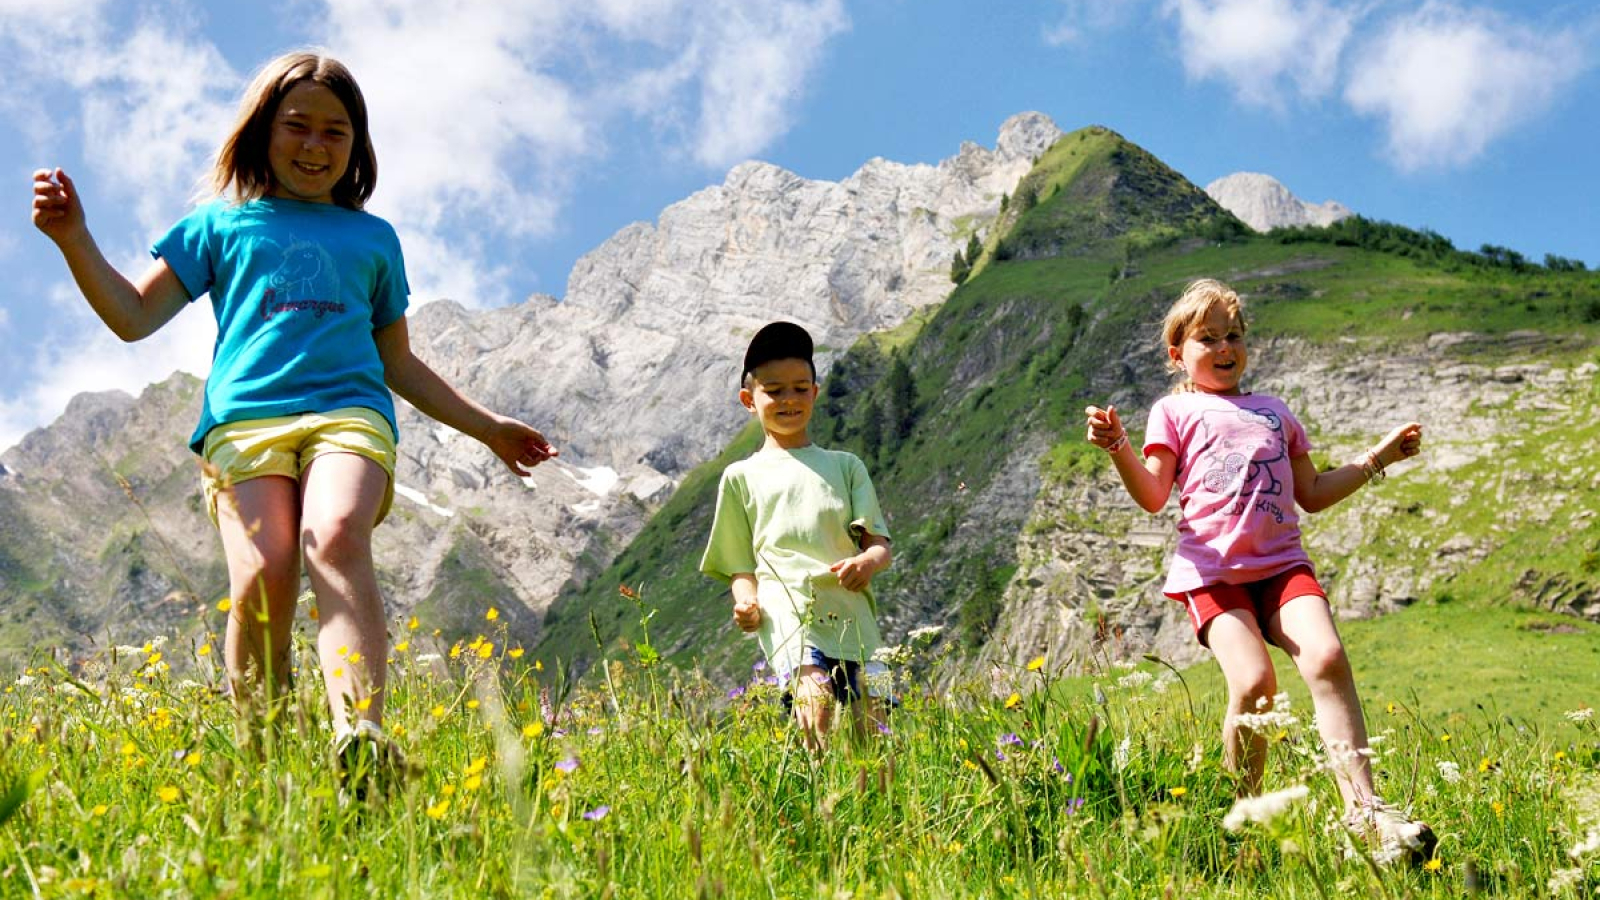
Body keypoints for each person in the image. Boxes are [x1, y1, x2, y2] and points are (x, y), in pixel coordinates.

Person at [31, 51, 556, 785]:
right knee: (263, 576)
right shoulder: (219, 224)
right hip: (244, 424)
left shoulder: (374, 240)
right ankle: (267, 761)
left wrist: (487, 426)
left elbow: (398, 363)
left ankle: (360, 739)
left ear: (358, 146)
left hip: (350, 414)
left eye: (335, 132)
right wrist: (73, 238)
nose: (315, 147)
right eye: (297, 127)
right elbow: (131, 315)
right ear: (261, 133)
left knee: (335, 533)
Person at [1085, 278, 1435, 863]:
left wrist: (1378, 458)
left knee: (1326, 658)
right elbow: (1152, 494)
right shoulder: (1174, 410)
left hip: (1282, 566)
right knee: (1254, 685)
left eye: (1235, 336)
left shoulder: (1275, 412)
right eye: (1208, 339)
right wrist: (1118, 444)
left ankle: (1366, 816)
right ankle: (1240, 826)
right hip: (1214, 574)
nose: (1226, 347)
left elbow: (1314, 492)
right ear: (1177, 354)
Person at [700, 322, 893, 752]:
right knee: (817, 700)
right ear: (750, 400)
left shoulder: (846, 466)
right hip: (787, 611)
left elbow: (879, 545)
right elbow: (739, 564)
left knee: (873, 723)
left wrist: (866, 563)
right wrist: (745, 603)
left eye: (800, 388)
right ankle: (817, 794)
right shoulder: (741, 477)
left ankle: (874, 807)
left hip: (851, 612)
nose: (789, 399)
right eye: (774, 390)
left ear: (815, 393)